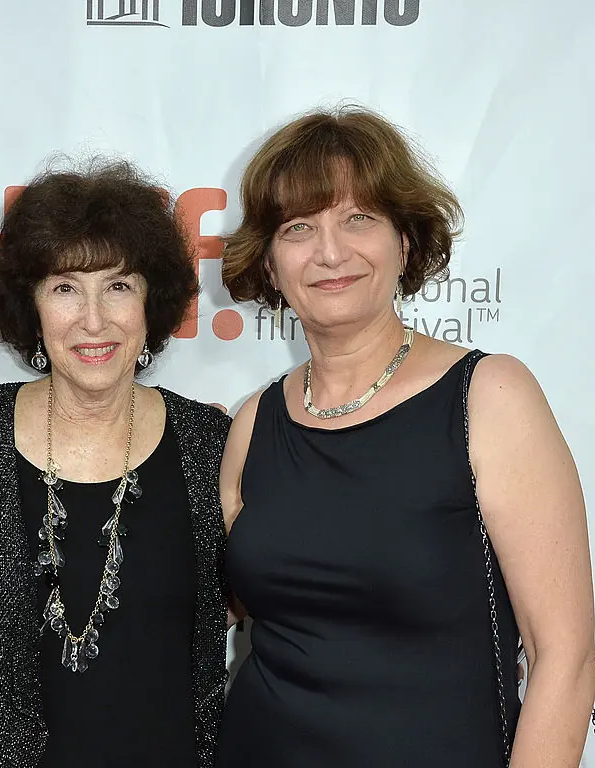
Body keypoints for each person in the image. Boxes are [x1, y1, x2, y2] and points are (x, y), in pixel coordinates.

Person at [216, 106, 595, 766]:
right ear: (272, 266)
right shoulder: (255, 421)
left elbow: (566, 657)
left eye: (358, 218)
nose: (330, 252)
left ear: (406, 243)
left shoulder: (488, 396)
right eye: (299, 227)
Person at [0, 162, 231, 768]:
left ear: (152, 302)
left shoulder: (208, 444)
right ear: (30, 305)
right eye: (65, 287)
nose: (93, 319)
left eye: (118, 285)